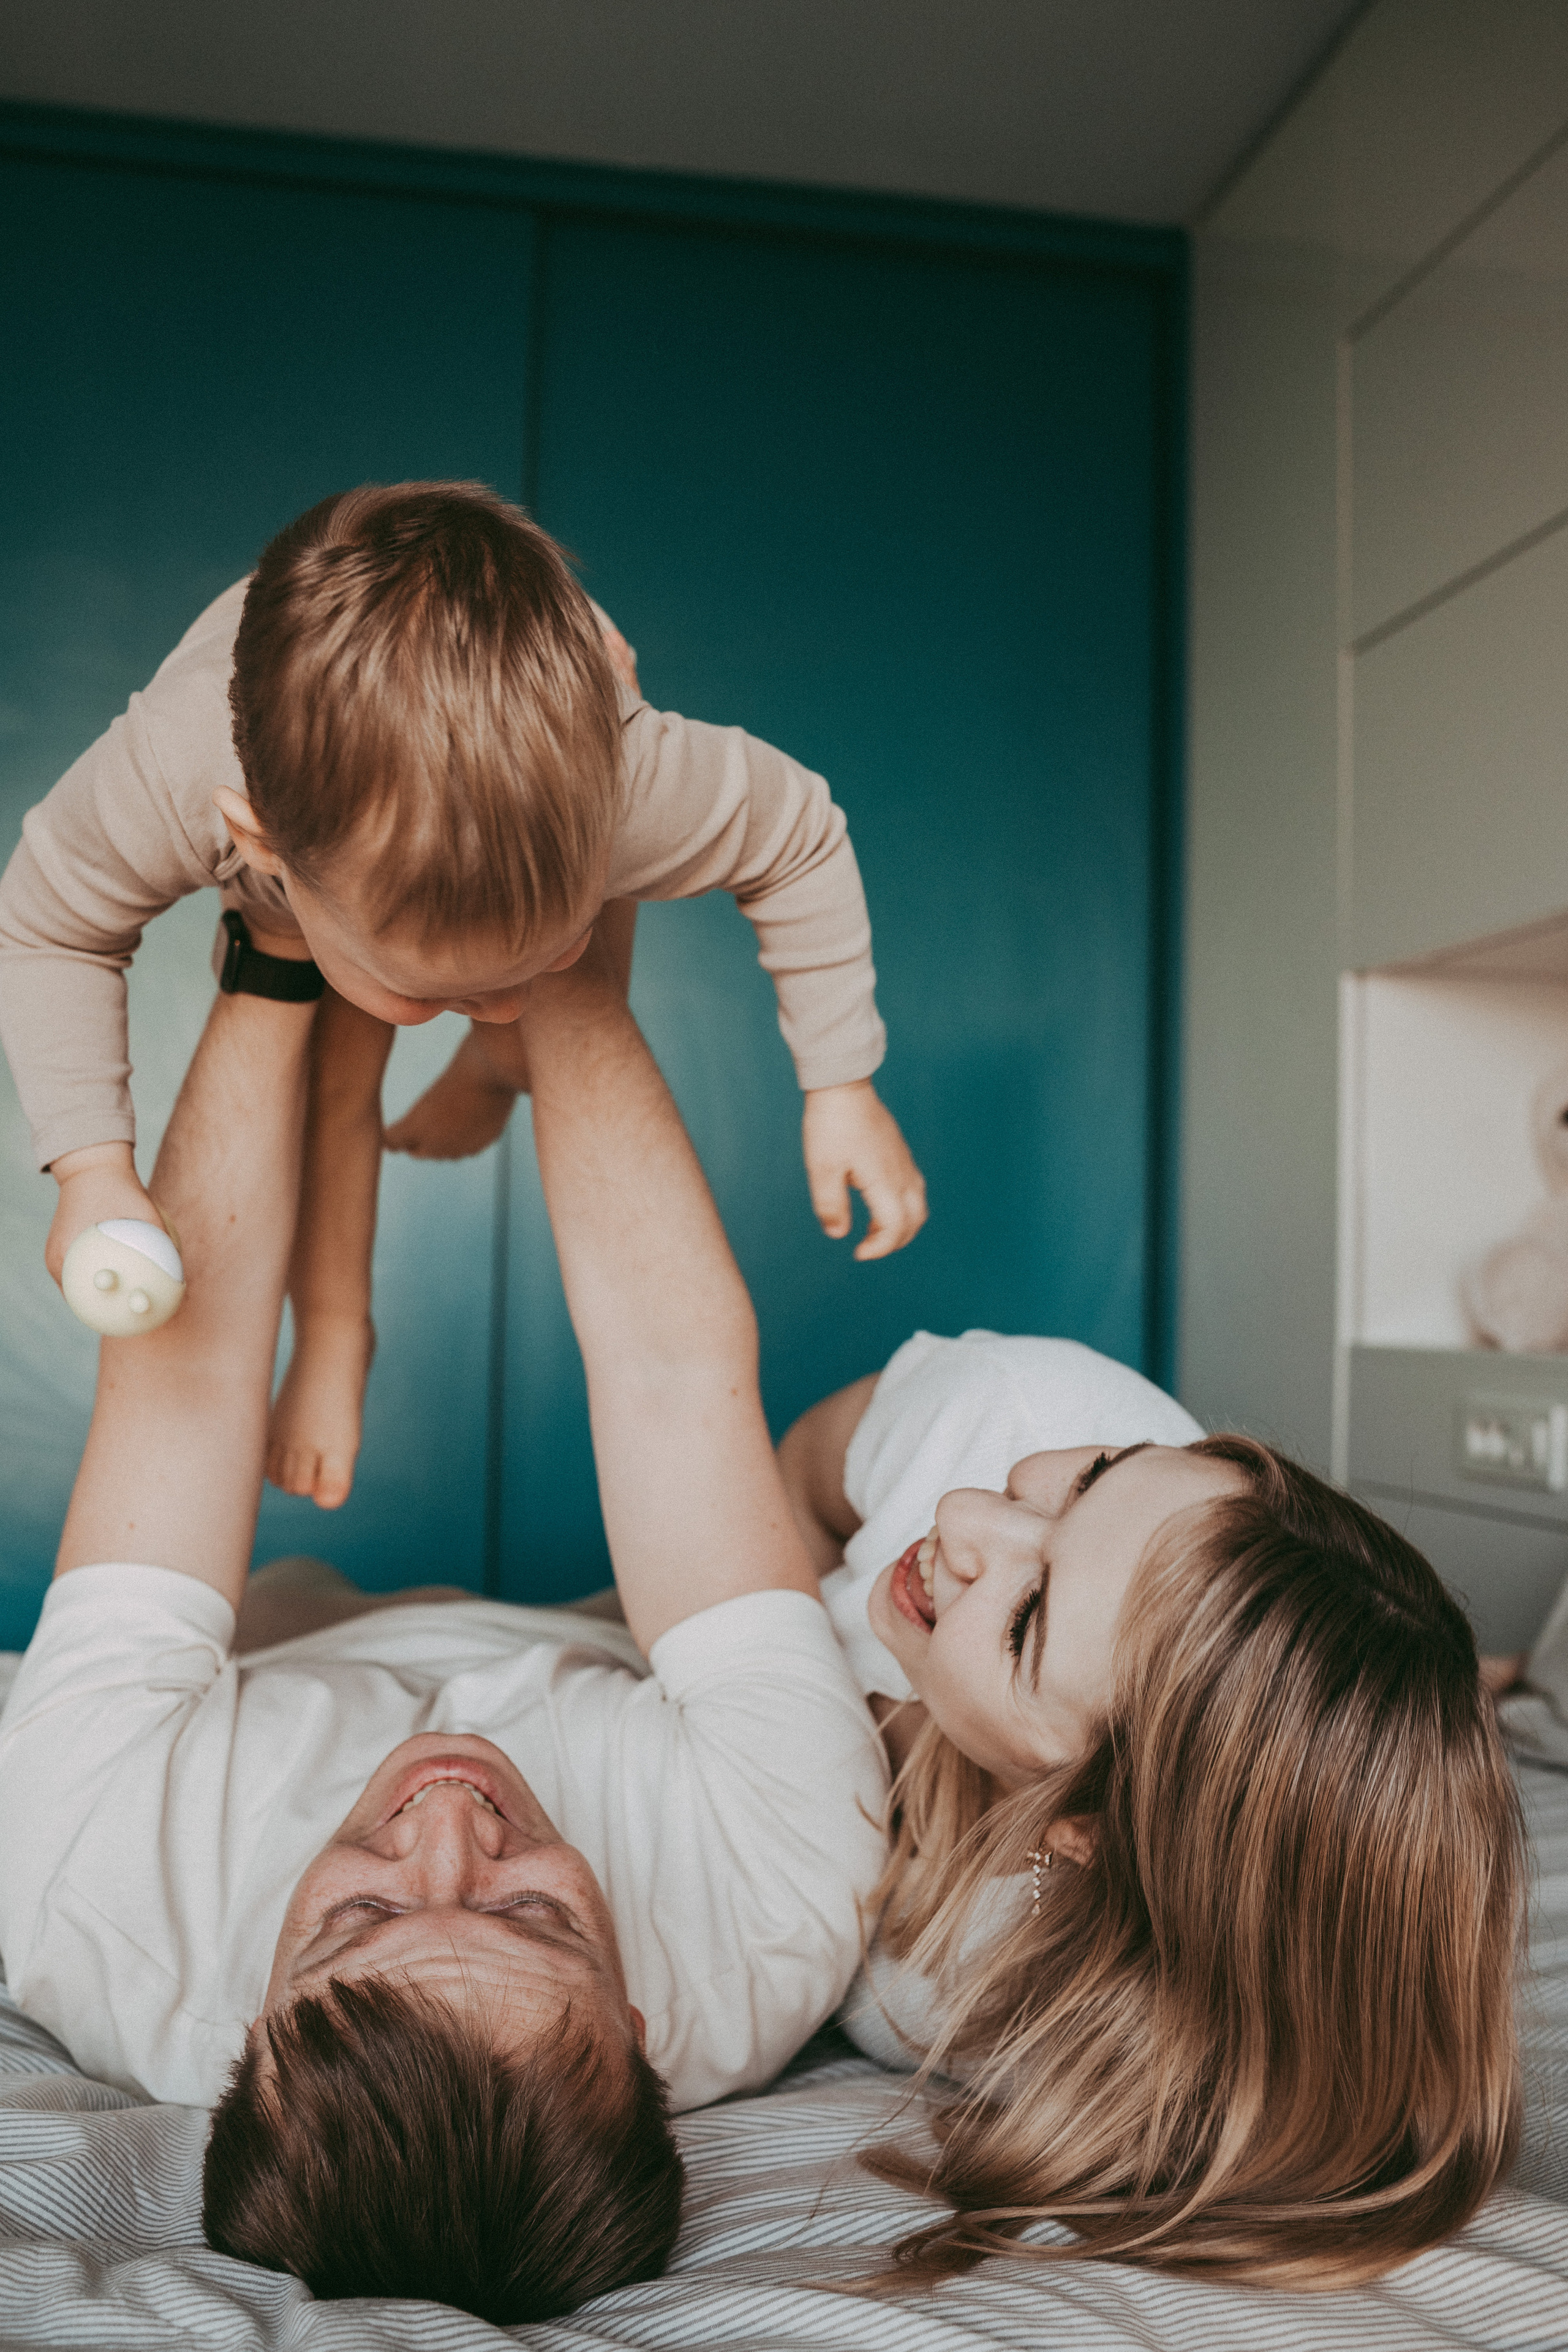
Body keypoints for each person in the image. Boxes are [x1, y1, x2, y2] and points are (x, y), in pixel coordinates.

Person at [0, 937, 889, 2324]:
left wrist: (274, 953)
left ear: (245, 2032)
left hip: (290, 1645)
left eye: (359, 1914)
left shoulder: (82, 1889)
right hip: (597, 1651)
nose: (447, 1817)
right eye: (531, 1911)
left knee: (261, 1597)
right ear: (645, 2032)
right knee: (778, 1527)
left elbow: (186, 1381)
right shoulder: (773, 1911)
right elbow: (669, 1370)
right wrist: (563, 947)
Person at [0, 480, 927, 1510]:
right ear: (262, 846)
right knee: (337, 1068)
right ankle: (337, 1328)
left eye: (512, 974)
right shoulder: (169, 779)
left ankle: (502, 1050)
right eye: (446, 991)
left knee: (563, 1000)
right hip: (300, 778)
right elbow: (47, 926)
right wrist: (90, 1165)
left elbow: (799, 834)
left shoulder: (633, 782)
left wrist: (843, 1081)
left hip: (542, 728)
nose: (496, 1001)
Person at [775, 1332, 1528, 2290]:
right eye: (1093, 1477)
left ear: (1082, 1830)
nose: (965, 1511)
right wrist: (764, 1676)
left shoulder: (1017, 1995)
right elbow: (789, 1488)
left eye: (1023, 1624)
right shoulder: (1010, 1407)